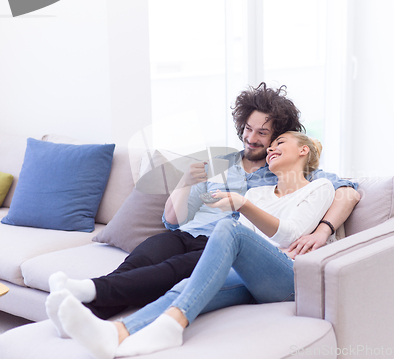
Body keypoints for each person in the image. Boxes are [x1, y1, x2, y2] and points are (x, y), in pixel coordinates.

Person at [46, 82, 359, 338]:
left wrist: (323, 230)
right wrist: (183, 181)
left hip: (220, 246)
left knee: (164, 275)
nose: (251, 138)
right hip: (185, 234)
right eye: (248, 128)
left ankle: (83, 306)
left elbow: (348, 190)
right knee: (139, 260)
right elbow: (171, 220)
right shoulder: (219, 162)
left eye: (263, 133)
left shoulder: (284, 170)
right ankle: (80, 318)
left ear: (278, 136)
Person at [51, 131, 336, 359]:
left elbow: (288, 234)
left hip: (285, 276)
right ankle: (117, 332)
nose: (271, 148)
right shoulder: (261, 192)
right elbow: (250, 240)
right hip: (250, 276)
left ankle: (96, 292)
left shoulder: (320, 187)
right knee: (187, 284)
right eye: (269, 145)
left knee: (228, 226)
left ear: (303, 150)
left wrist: (243, 204)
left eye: (279, 142)